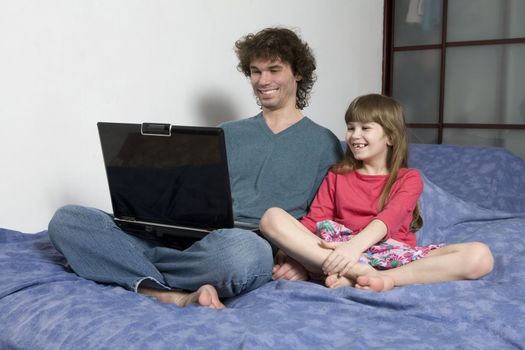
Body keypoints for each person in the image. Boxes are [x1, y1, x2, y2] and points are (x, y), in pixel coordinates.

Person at [47, 27, 343, 308]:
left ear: (298, 73)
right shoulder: (226, 131)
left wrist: (298, 259)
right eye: (255, 71)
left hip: (244, 244)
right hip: (190, 236)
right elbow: (189, 192)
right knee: (68, 220)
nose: (263, 80)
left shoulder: (323, 143)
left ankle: (120, 263)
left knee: (241, 255)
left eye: (274, 70)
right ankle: (168, 291)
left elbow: (326, 215)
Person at [259, 93, 494, 292]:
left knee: (480, 256)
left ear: (390, 137)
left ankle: (382, 279)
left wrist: (354, 248)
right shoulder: (337, 174)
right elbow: (314, 221)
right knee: (272, 217)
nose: (354, 135)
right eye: (351, 128)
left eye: (365, 128)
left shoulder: (409, 178)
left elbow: (389, 218)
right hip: (338, 249)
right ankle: (358, 273)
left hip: (390, 256)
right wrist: (291, 254)